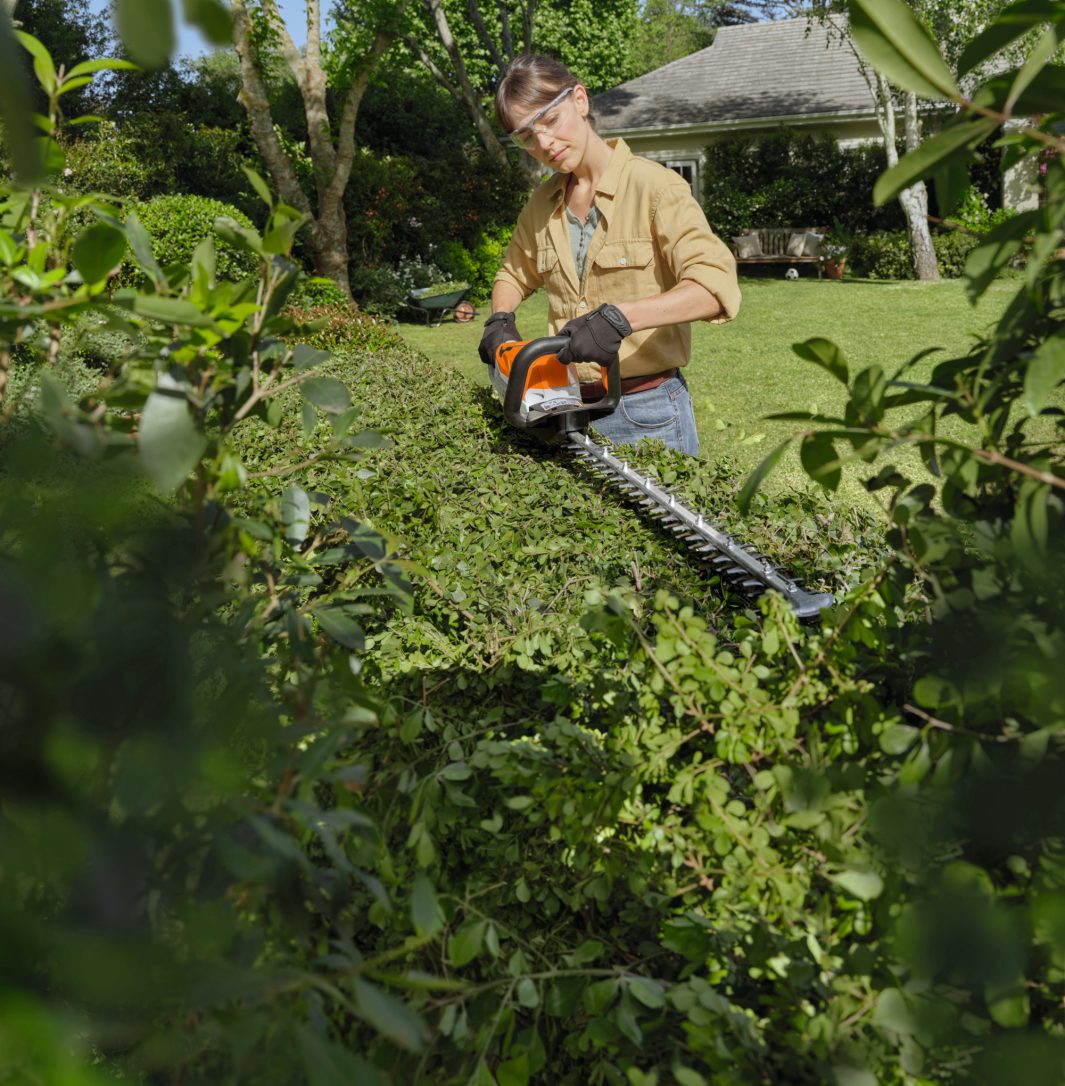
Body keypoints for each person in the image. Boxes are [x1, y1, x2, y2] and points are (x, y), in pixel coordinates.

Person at [479, 54, 741, 456]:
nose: (543, 143)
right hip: (565, 410)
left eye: (549, 120)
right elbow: (513, 274)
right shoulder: (542, 203)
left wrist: (620, 319)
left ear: (580, 100)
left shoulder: (655, 188)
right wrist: (500, 318)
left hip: (647, 412)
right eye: (526, 136)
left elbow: (714, 288)